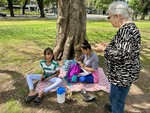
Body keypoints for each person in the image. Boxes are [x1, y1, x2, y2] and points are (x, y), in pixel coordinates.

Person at [103, 1, 141, 113]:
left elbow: (121, 55)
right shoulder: (129, 28)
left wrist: (105, 49)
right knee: (115, 97)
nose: (109, 20)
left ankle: (116, 109)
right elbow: (123, 49)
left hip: (122, 76)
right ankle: (113, 106)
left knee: (118, 100)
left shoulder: (127, 30)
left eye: (109, 17)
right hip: (121, 75)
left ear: (117, 16)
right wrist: (109, 46)